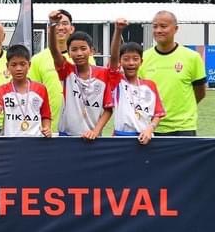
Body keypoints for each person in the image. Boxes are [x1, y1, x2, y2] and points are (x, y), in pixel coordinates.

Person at [138, 11, 206, 136]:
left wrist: (182, 109)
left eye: (163, 26)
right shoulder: (143, 58)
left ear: (175, 29)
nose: (158, 30)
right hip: (150, 128)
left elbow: (200, 92)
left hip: (183, 128)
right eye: (155, 26)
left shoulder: (192, 57)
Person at [48, 10, 114, 140]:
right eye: (74, 50)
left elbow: (108, 109)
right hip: (67, 136)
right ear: (69, 53)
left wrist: (95, 131)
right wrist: (52, 24)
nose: (79, 53)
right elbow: (54, 51)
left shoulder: (103, 74)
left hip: (93, 138)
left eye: (83, 49)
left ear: (91, 50)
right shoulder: (67, 71)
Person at [109, 18, 165, 145]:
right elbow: (114, 57)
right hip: (121, 138)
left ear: (141, 61)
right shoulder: (117, 82)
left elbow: (158, 114)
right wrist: (118, 31)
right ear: (120, 61)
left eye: (135, 59)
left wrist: (150, 129)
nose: (131, 63)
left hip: (146, 139)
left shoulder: (150, 85)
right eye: (126, 59)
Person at [27, 8, 75, 131]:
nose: (61, 27)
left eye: (65, 23)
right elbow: (32, 93)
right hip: (48, 129)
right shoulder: (37, 59)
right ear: (49, 29)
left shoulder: (84, 58)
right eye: (56, 24)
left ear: (72, 29)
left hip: (77, 128)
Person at [0, 44, 52, 137]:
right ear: (7, 66)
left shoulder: (40, 89)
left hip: (35, 140)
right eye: (14, 65)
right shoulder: (1, 90)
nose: (18, 69)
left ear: (29, 65)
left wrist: (47, 128)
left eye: (22, 64)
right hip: (10, 140)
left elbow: (46, 115)